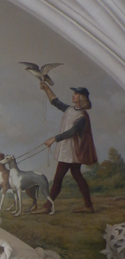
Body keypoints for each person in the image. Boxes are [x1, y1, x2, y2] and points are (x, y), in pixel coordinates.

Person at [39, 83, 97, 213]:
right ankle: (88, 206)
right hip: (68, 149)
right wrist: (47, 89)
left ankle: (48, 207)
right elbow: (56, 102)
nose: (73, 95)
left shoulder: (82, 116)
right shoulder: (70, 109)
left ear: (81, 98)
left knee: (58, 179)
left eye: (76, 94)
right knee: (77, 175)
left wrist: (53, 139)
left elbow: (72, 132)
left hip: (71, 151)